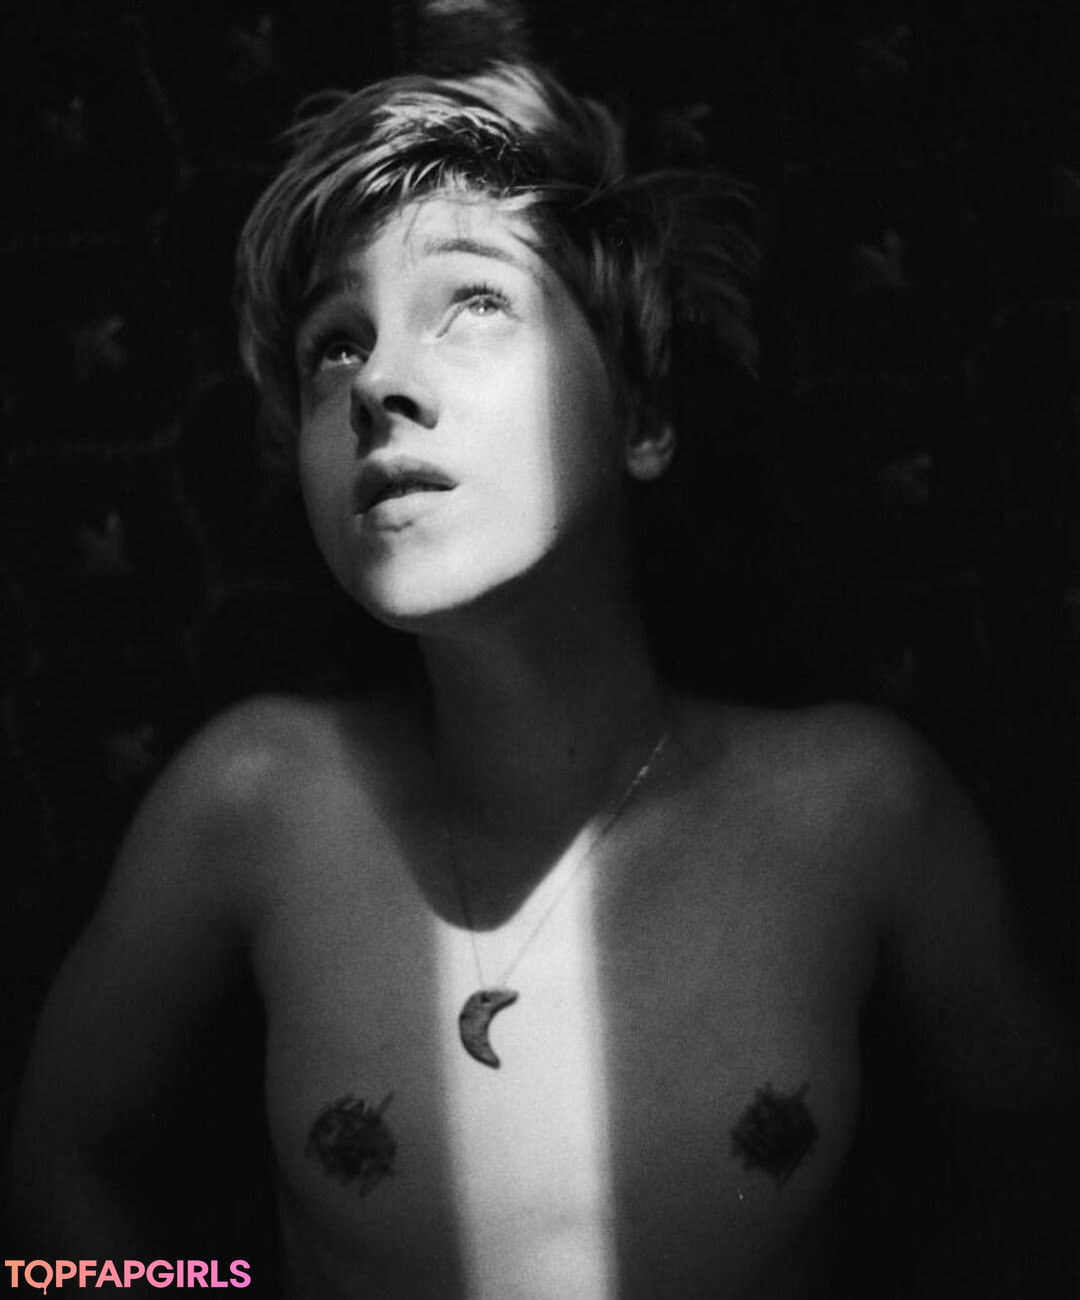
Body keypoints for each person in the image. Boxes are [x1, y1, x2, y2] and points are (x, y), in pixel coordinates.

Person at [7, 61, 1075, 1299]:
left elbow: (1043, 1186)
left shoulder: (860, 811)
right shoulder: (252, 803)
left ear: (641, 419)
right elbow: (51, 1175)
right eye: (334, 344)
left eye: (473, 301)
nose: (377, 384)